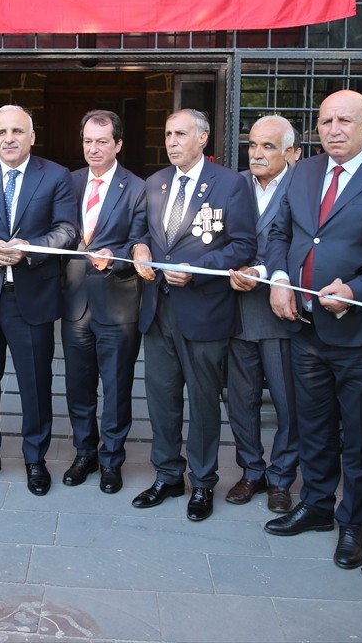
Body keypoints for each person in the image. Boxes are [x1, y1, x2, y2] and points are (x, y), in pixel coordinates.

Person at [263, 90, 362, 570]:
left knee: (361, 436)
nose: (333, 129)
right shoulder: (305, 170)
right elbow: (280, 234)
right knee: (312, 427)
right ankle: (316, 506)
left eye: (345, 120)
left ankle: (354, 524)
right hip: (304, 327)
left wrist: (355, 290)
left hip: (361, 337)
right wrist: (281, 279)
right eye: (325, 120)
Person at [130, 109, 256, 522]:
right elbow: (145, 234)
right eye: (168, 134)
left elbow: (242, 246)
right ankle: (167, 475)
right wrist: (141, 250)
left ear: (202, 138)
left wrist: (199, 272)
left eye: (180, 134)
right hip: (158, 308)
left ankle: (202, 483)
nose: (171, 141)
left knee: (202, 402)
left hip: (204, 311)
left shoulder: (230, 184)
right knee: (161, 399)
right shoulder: (155, 183)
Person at [0, 105, 77, 495]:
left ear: (32, 136)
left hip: (33, 298)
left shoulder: (56, 176)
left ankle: (35, 460)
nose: (9, 138)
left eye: (18, 131)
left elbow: (67, 230)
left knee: (35, 385)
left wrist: (31, 247)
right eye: (2, 132)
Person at [59, 110, 146, 494]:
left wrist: (118, 255)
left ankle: (112, 459)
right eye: (87, 142)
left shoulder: (137, 187)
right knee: (78, 386)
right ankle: (84, 453)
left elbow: (144, 240)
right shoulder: (68, 182)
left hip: (117, 302)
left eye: (102, 142)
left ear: (118, 145)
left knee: (116, 387)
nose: (93, 149)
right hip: (75, 301)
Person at [227, 115, 298, 513]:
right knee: (241, 397)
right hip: (236, 309)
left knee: (288, 401)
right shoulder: (234, 183)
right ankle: (251, 470)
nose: (257, 153)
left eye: (268, 146)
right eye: (252, 145)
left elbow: (297, 241)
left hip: (279, 311)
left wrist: (265, 272)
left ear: (290, 152)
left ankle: (282, 477)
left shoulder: (302, 186)